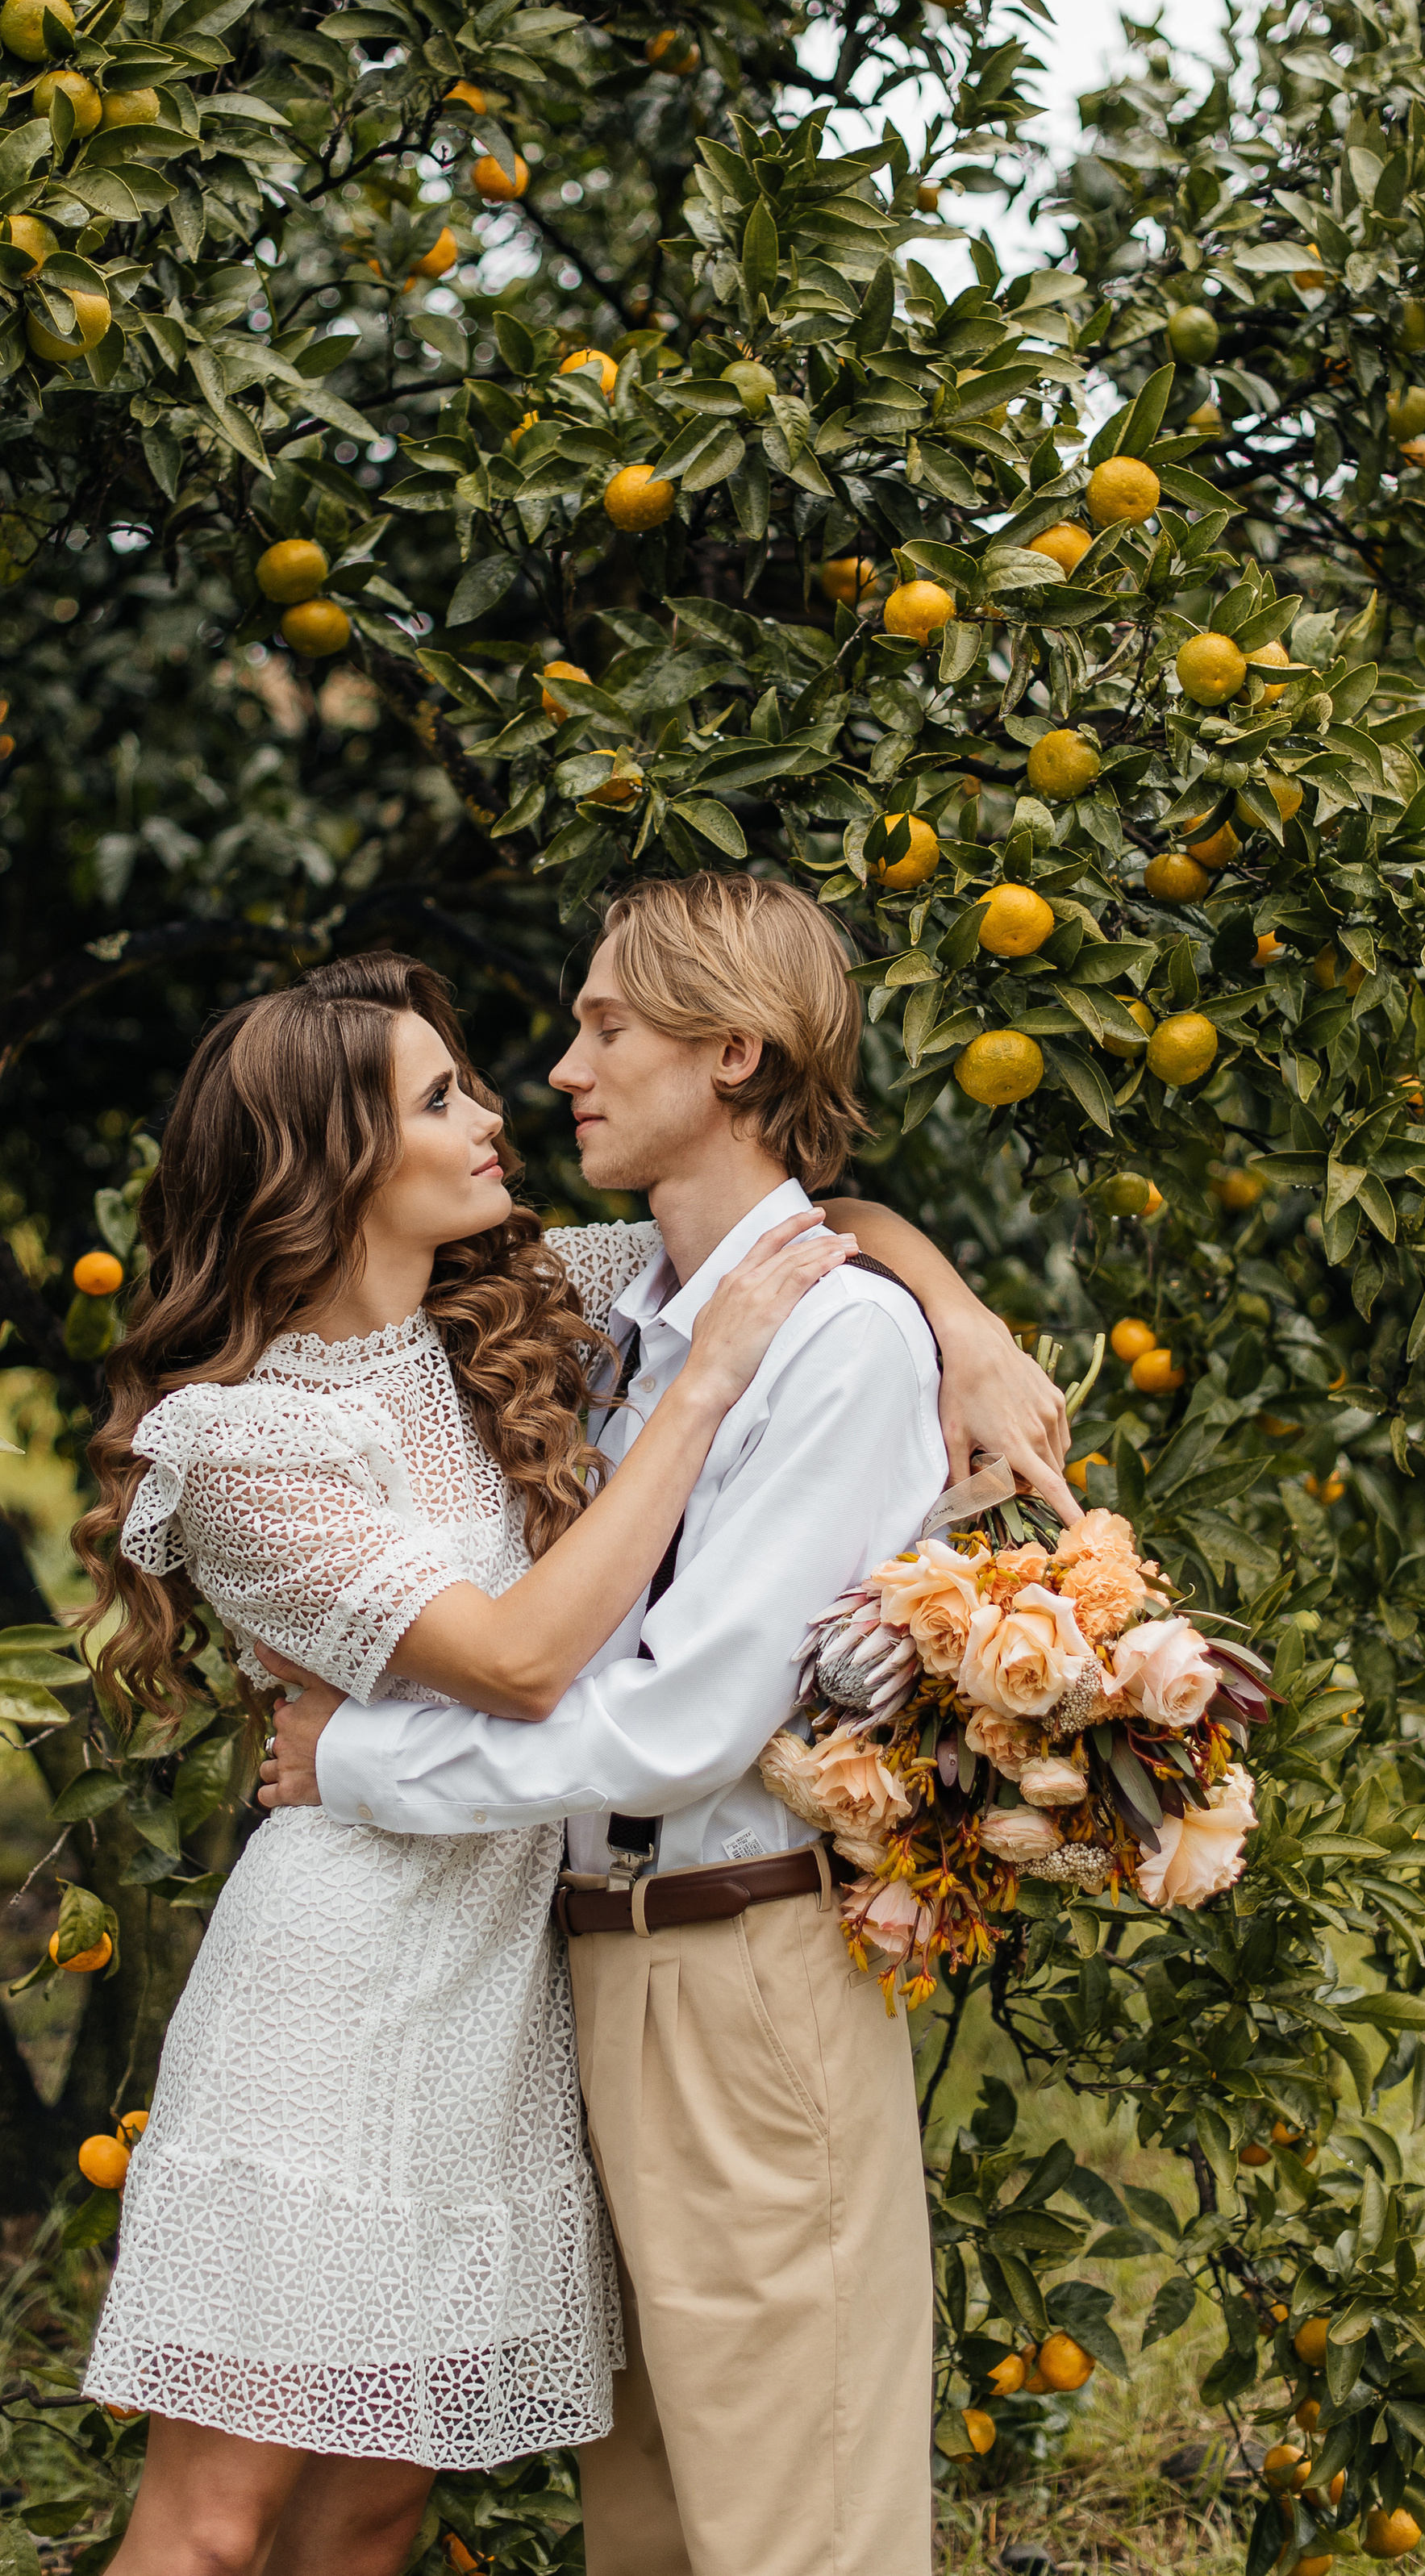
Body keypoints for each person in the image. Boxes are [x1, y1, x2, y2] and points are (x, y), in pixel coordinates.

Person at [260, 875, 1073, 2576]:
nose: (559, 1066)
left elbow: (676, 1723)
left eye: (605, 1024)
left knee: (799, 2517)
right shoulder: (627, 1315)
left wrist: (355, 1765)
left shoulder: (831, 1341)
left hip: (737, 1972)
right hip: (590, 1965)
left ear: (731, 1052)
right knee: (649, 2520)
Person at [73, 947, 864, 2576]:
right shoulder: (240, 1443)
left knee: (376, 2505)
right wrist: (701, 1387)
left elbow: (793, 1227)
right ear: (338, 1161)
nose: (497, 1110)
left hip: (490, 2005)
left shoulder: (507, 1305)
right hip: (333, 1996)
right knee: (218, 2522)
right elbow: (517, 1663)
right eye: (442, 1097)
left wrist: (971, 1328)